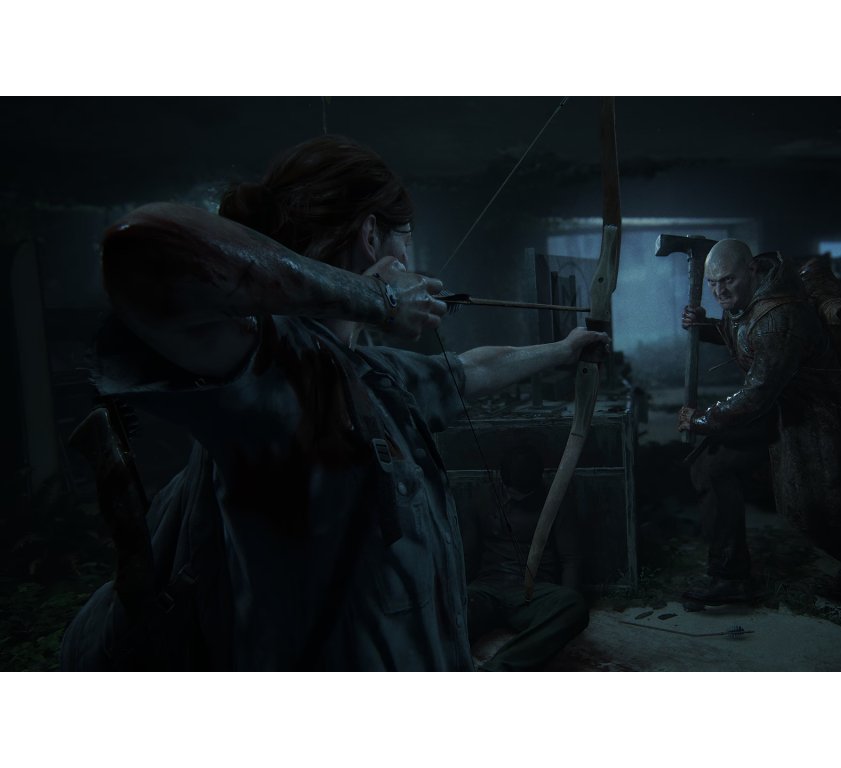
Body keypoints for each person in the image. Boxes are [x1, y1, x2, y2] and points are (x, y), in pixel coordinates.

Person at [60, 135, 608, 671]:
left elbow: (474, 369)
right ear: (371, 235)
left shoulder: (374, 373)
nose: (407, 257)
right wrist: (380, 298)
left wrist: (565, 349)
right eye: (404, 238)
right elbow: (144, 246)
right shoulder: (271, 367)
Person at [677, 239, 841, 605]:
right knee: (712, 465)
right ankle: (729, 576)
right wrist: (707, 327)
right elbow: (745, 334)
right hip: (778, 407)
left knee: (812, 511)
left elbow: (756, 393)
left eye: (728, 280)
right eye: (713, 284)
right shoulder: (753, 299)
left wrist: (701, 418)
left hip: (815, 418)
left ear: (751, 269)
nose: (719, 292)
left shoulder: (780, 317)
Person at [461, 444, 589, 671]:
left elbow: (571, 559)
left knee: (574, 605)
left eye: (525, 494)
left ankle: (499, 669)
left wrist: (560, 610)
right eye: (513, 492)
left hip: (533, 593)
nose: (518, 498)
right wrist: (458, 596)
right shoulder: (482, 498)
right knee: (446, 611)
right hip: (487, 588)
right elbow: (467, 555)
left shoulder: (555, 502)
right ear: (502, 481)